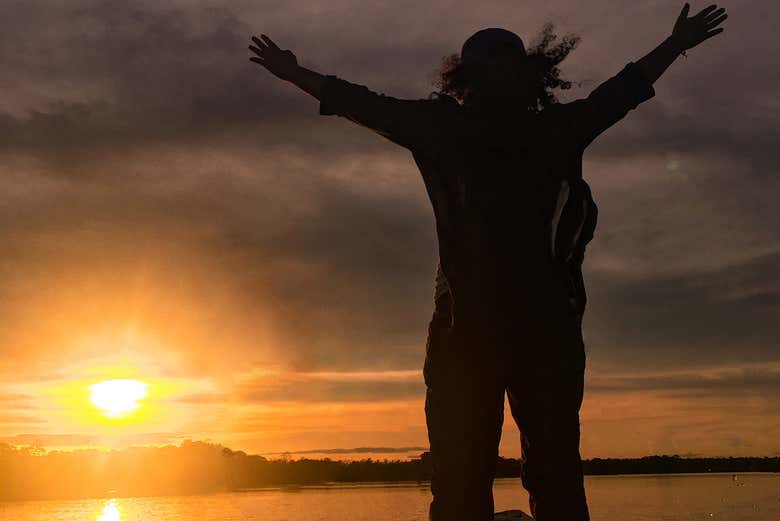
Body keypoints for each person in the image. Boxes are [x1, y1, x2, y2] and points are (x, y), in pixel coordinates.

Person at [248, 3, 727, 520]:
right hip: (487, 328)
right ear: (472, 77)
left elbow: (622, 92)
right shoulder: (501, 127)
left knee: (530, 471)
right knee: (480, 472)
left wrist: (674, 46)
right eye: (489, 68)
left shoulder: (510, 128)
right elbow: (361, 103)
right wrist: (294, 73)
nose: (495, 79)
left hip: (524, 328)